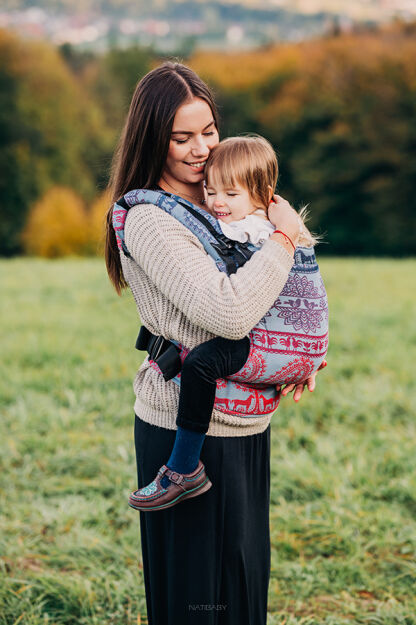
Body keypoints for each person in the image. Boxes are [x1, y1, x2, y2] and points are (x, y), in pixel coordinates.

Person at [105, 61, 325, 625]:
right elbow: (229, 312)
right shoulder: (152, 219)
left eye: (208, 131)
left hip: (247, 424)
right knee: (197, 602)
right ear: (154, 137)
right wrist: (284, 233)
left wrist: (293, 355)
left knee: (242, 589)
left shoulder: (225, 200)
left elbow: (285, 292)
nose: (201, 148)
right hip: (185, 430)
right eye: (182, 137)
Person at [128, 134, 323, 513]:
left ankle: (184, 468)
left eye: (229, 195)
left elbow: (233, 304)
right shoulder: (266, 223)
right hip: (288, 343)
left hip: (271, 342)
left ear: (263, 196)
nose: (217, 203)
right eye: (211, 191)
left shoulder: (252, 229)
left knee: (201, 363)